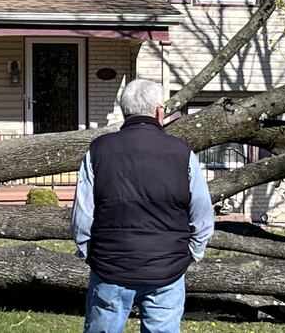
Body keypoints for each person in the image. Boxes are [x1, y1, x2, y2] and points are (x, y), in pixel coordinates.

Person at [72, 78, 215, 333]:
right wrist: (193, 253)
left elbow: (83, 215)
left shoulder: (98, 150)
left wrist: (88, 252)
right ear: (159, 111)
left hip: (110, 265)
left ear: (124, 110)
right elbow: (202, 213)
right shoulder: (182, 153)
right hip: (167, 267)